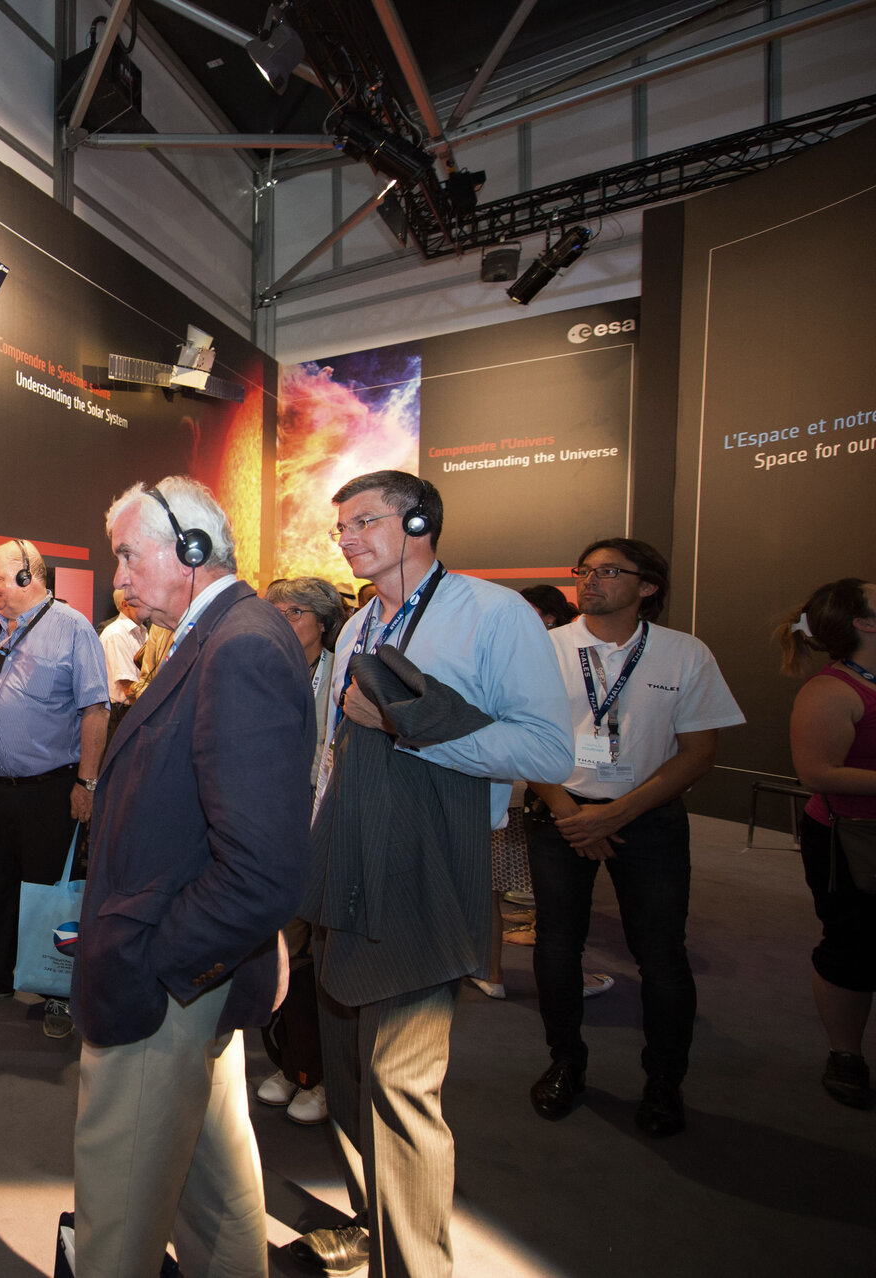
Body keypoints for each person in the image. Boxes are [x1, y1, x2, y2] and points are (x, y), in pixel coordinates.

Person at [293, 471, 571, 1278]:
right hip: (345, 851)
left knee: (400, 1081)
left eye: (363, 520)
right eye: (339, 523)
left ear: (418, 521)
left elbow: (547, 751)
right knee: (346, 1067)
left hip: (427, 863)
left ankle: (416, 1265)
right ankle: (369, 1225)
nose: (344, 536)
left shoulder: (492, 614)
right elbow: (334, 748)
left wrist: (412, 729)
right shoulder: (358, 627)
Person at [71, 478, 311, 1278]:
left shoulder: (238, 645)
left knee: (120, 1221)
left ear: (193, 550)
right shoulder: (218, 635)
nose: (122, 578)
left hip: (166, 985)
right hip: (191, 977)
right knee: (217, 1189)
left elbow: (261, 871)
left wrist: (159, 963)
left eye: (130, 556)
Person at [525, 539, 743, 1137]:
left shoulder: (684, 654)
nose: (590, 581)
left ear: (647, 586)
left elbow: (699, 753)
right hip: (559, 811)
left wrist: (617, 814)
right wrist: (573, 814)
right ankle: (566, 1063)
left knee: (662, 958)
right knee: (555, 949)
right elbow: (521, 735)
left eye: (608, 572)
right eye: (585, 571)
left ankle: (664, 1082)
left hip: (648, 818)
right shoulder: (544, 648)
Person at [0, 538, 109, 1038]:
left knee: (49, 889)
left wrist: (86, 782)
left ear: (28, 575)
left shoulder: (73, 628)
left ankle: (55, 991)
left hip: (48, 789)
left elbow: (96, 710)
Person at [780, 577, 876, 1109]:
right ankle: (846, 1054)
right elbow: (817, 773)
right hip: (853, 841)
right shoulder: (831, 691)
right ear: (864, 623)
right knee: (853, 950)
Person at [256, 576, 347, 1126]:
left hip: (328, 826)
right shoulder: (267, 667)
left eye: (294, 611)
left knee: (321, 957)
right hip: (274, 827)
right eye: (276, 611)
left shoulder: (343, 673)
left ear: (323, 620)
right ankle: (292, 1065)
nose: (282, 621)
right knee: (282, 952)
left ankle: (321, 1075)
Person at [99, 589, 148, 706]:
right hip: (123, 711)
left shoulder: (143, 631)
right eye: (140, 600)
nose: (147, 603)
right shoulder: (116, 634)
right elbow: (127, 688)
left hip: (135, 707)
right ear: (125, 604)